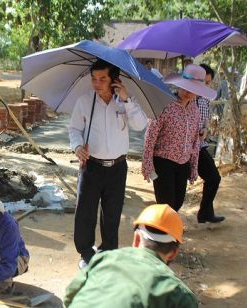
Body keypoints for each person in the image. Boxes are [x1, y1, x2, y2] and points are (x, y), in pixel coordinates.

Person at [68, 59, 148, 269]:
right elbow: (74, 129)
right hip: (91, 166)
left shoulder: (125, 102)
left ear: (115, 79)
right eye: (94, 78)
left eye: (103, 78)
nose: (97, 83)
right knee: (85, 212)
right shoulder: (85, 102)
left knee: (112, 212)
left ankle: (108, 251)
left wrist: (127, 99)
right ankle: (86, 254)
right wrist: (77, 147)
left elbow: (140, 125)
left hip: (118, 168)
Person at [64, 204, 198, 308]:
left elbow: (69, 297)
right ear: (174, 253)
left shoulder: (103, 259)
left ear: (137, 239)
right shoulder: (179, 294)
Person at [142, 64, 217, 212]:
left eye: (192, 89)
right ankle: (164, 232)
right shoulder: (165, 105)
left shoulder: (195, 110)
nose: (188, 92)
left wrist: (194, 166)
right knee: (166, 205)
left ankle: (169, 230)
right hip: (163, 162)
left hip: (183, 163)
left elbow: (195, 142)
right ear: (179, 85)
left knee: (178, 202)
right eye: (185, 87)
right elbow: (150, 135)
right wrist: (147, 163)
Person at [195, 64, 225, 223]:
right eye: (202, 82)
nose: (205, 86)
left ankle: (205, 213)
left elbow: (204, 120)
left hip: (200, 146)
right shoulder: (186, 98)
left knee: (213, 178)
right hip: (183, 148)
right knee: (175, 193)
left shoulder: (205, 99)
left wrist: (205, 130)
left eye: (208, 83)